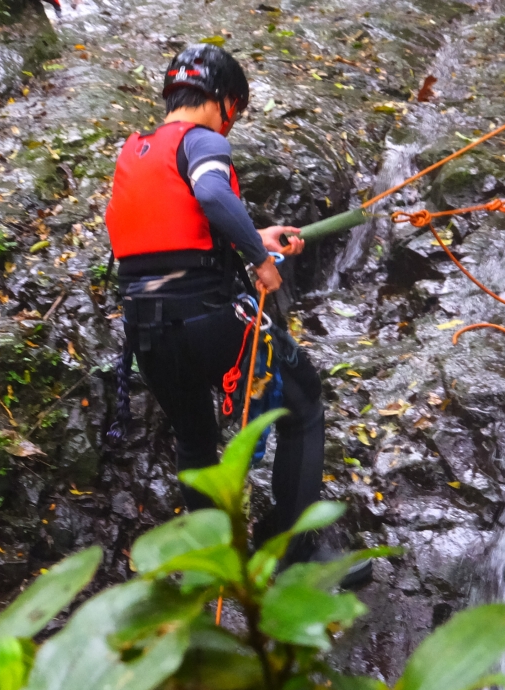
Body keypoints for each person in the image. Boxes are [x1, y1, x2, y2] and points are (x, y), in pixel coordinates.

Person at [104, 45, 369, 584]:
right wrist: (258, 260)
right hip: (209, 322)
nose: (231, 125)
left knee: (194, 438)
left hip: (147, 334)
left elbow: (174, 236)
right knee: (304, 404)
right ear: (224, 101)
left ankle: (212, 569)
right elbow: (212, 196)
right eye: (235, 112)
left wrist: (256, 237)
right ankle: (295, 556)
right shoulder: (202, 141)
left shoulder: (135, 152)